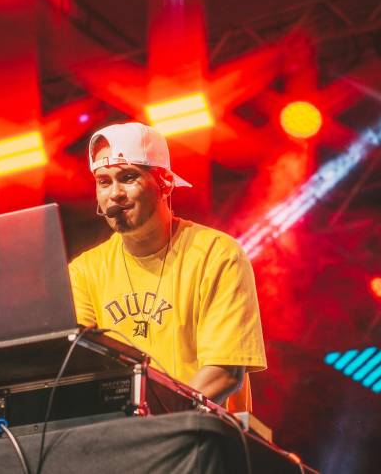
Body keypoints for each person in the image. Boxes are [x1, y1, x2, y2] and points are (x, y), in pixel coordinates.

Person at [68, 122, 266, 411]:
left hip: (203, 433)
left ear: (165, 183)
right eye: (104, 182)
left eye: (128, 177)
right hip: (127, 432)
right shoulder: (84, 271)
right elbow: (78, 369)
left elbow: (223, 373)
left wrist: (155, 427)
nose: (115, 194)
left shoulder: (217, 254)